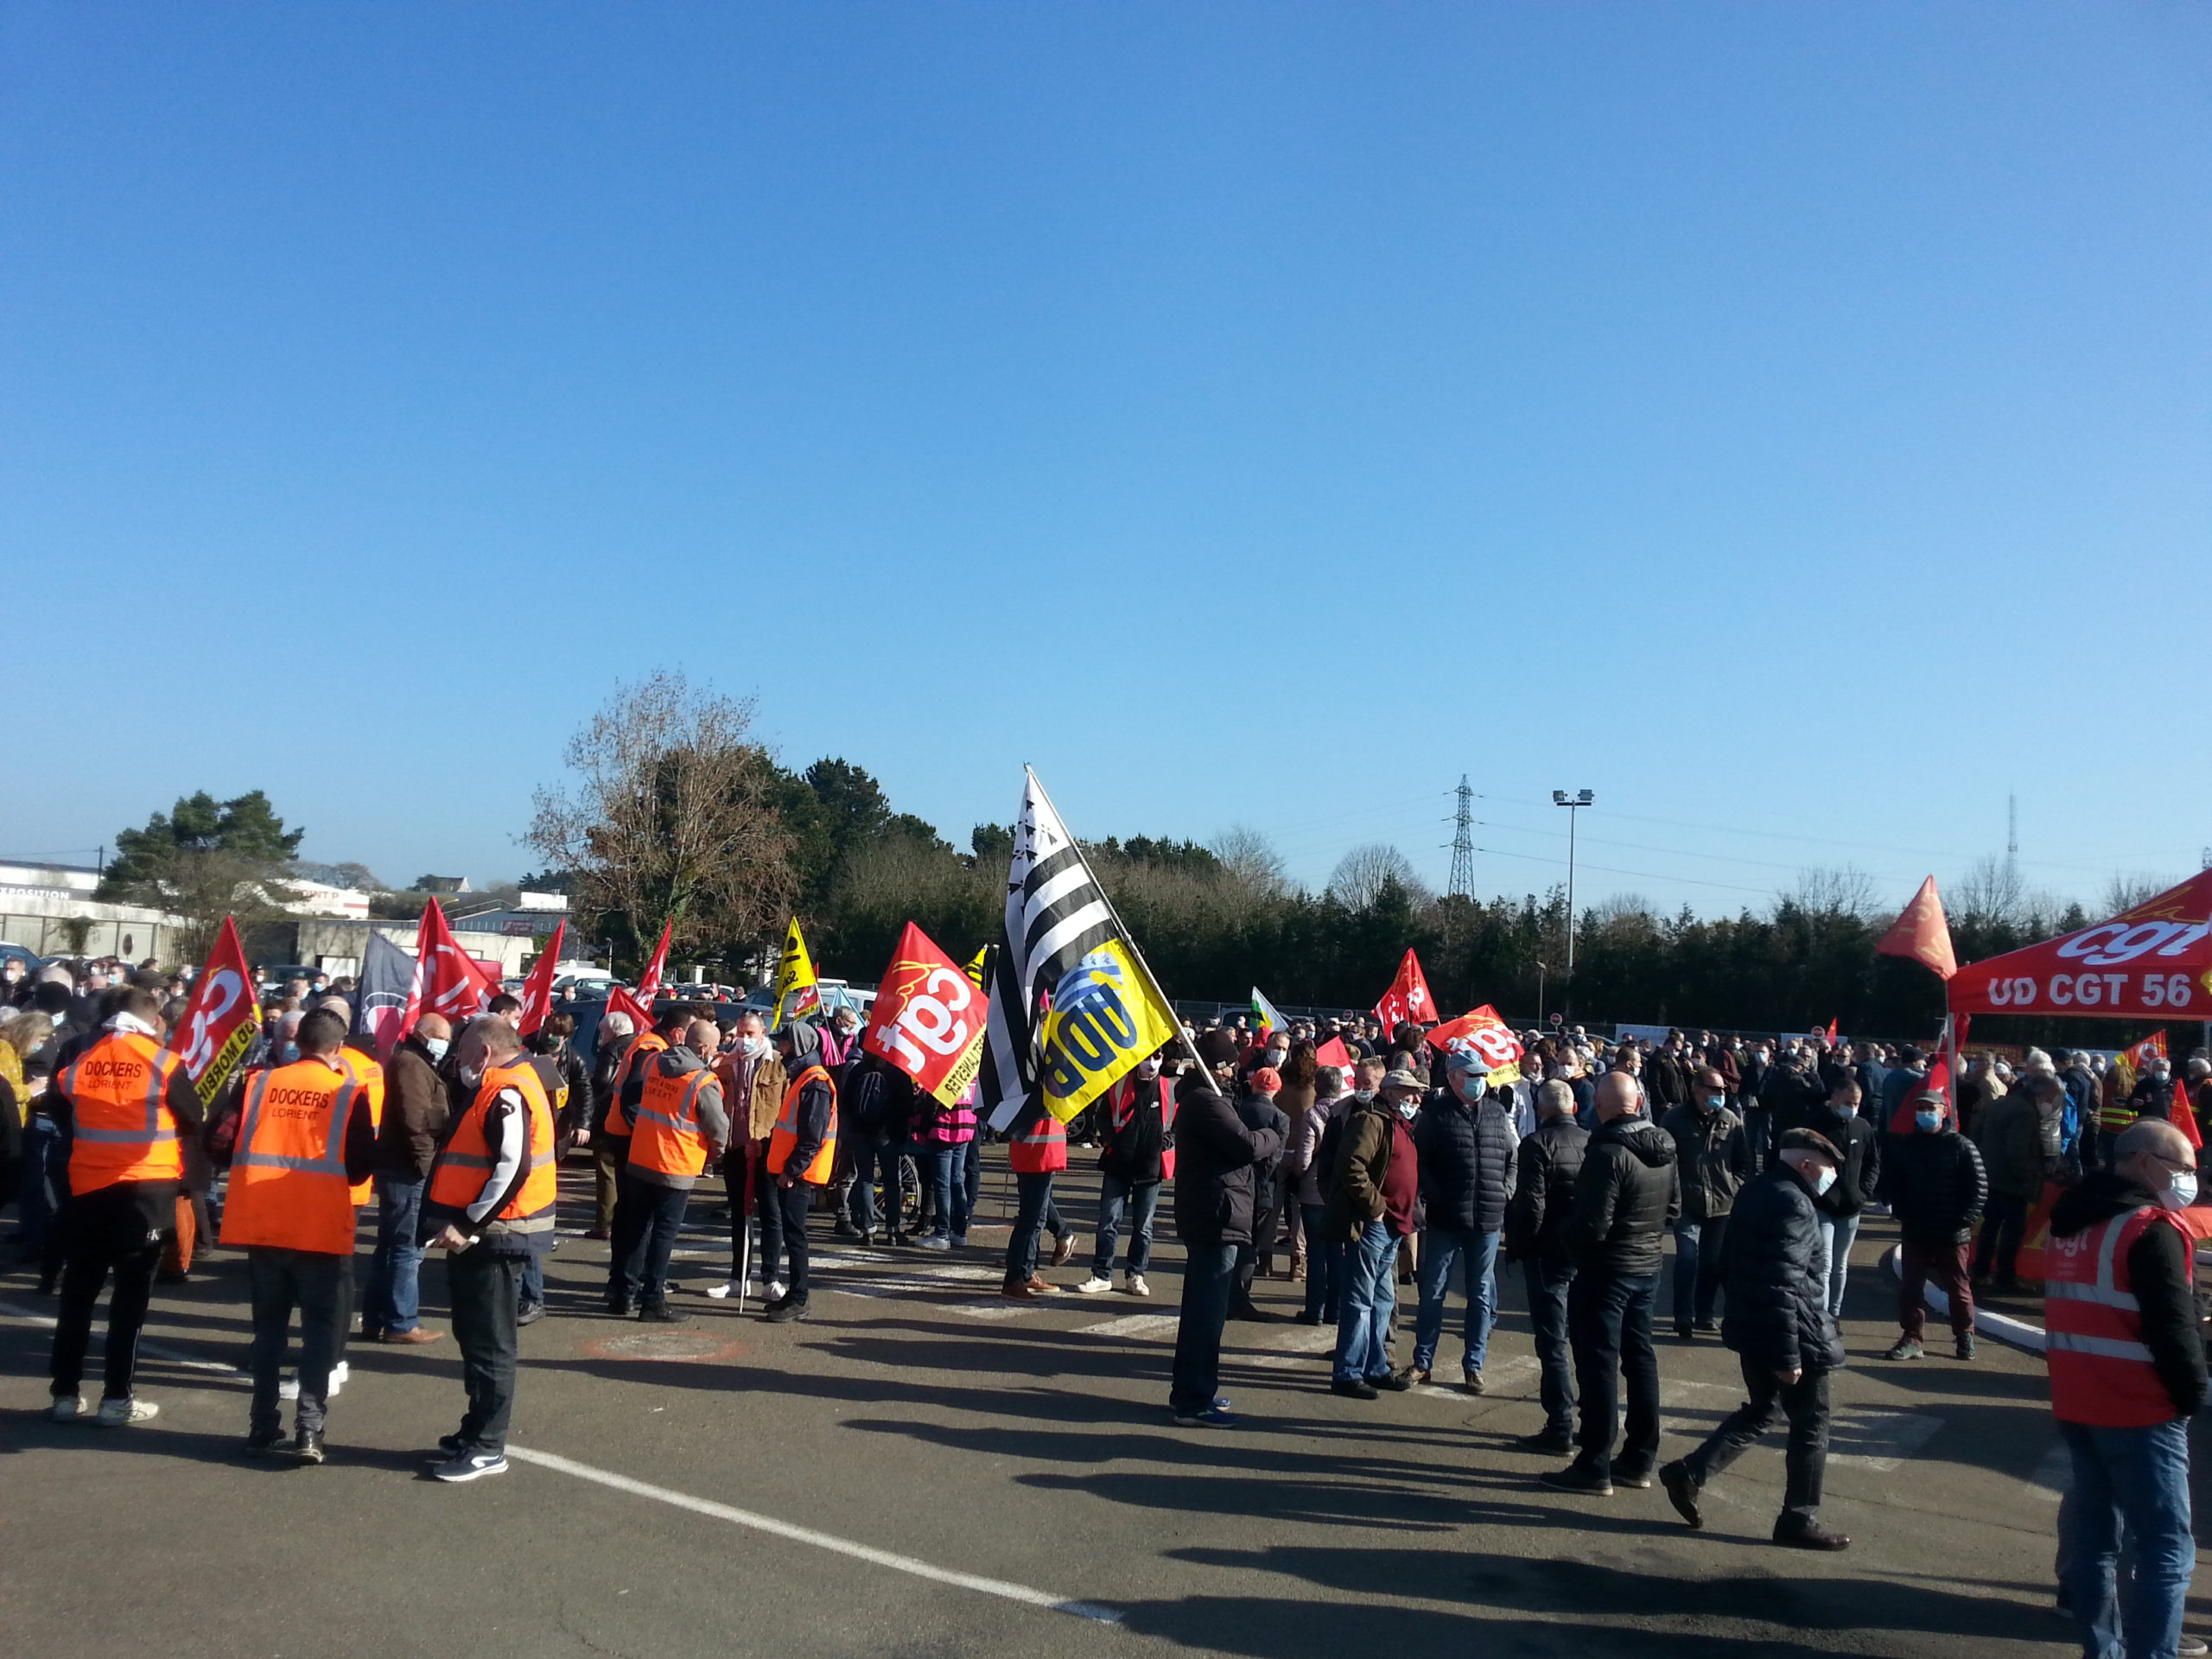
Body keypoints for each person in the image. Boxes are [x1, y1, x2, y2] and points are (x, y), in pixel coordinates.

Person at [2044, 1118, 2205, 1659]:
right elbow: (2175, 1328)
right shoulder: (2149, 1228)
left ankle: (2103, 1651)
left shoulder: (2070, 1222)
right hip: (2140, 1409)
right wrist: (2192, 1396)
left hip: (2077, 1400)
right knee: (2165, 1548)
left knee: (2094, 1545)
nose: (2191, 1179)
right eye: (2183, 1168)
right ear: (2144, 1161)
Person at [1660, 1128, 1852, 1550]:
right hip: (1791, 1331)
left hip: (1753, 1322)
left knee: (1763, 1410)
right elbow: (1783, 1283)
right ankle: (1799, 1518)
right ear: (1806, 1165)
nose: (1831, 1176)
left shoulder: (1758, 1189)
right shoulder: (1795, 1203)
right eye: (1828, 1168)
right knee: (1811, 1426)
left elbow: (1729, 1262)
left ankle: (1690, 1473)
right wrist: (1788, 1353)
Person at [203, 1007, 378, 1461]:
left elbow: (217, 1143)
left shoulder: (257, 1083)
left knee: (268, 1332)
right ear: (339, 1049)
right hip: (319, 1226)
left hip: (263, 1223)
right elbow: (361, 1164)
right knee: (321, 1332)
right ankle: (309, 1430)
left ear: (295, 1041)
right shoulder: (347, 1090)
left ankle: (262, 1425)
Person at [45, 987, 203, 1427]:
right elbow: (194, 1116)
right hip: (145, 1189)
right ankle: (116, 1397)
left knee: (79, 1291)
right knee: (131, 1298)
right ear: (152, 1020)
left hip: (88, 1184)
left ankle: (65, 1393)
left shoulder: (83, 1056)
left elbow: (57, 1102)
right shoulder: (162, 1061)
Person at [420, 1014, 557, 1482]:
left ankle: (487, 1446)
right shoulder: (503, 1084)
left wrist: (468, 1223)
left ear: (482, 1052)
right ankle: (476, 1430)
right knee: (476, 1336)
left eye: (461, 1053)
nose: (455, 1061)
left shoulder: (507, 1089)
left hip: (498, 1237)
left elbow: (511, 1167)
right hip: (491, 1235)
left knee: (491, 1344)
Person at [1541, 1071, 1679, 1497]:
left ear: (1600, 1106)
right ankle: (1639, 1458)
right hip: (1646, 1266)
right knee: (1640, 1360)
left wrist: (1562, 1234)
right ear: (1638, 1103)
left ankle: (1595, 1462)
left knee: (1599, 1364)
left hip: (1607, 1270)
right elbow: (1673, 1210)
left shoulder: (1607, 1151)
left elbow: (1592, 1225)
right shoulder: (1665, 1148)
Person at [1166, 1069, 1281, 1427]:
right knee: (1207, 1315)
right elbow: (1245, 1144)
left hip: (1217, 1213)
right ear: (1215, 1066)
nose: (1234, 1072)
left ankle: (1194, 1389)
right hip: (1216, 1216)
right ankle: (1193, 1400)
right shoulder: (1205, 1101)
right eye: (1228, 1065)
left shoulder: (1210, 1099)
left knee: (1205, 1312)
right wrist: (1273, 1135)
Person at [1410, 1050, 1518, 1392]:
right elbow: (1419, 1161)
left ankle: (1474, 1365)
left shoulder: (1497, 1113)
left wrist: (1506, 1189)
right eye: (1472, 1075)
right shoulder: (1434, 1115)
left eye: (1481, 1076)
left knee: (1480, 1294)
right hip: (1446, 1217)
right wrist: (1436, 1193)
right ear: (1454, 1077)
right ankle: (1422, 1361)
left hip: (1487, 1218)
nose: (1479, 1081)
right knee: (1433, 1293)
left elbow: (1512, 1158)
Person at [610, 1017, 730, 1323]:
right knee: (663, 1236)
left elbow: (634, 1099)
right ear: (704, 1048)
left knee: (635, 1230)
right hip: (674, 1168)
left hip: (641, 1160)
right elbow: (719, 1129)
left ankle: (623, 1293)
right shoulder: (703, 1082)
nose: (717, 1053)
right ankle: (653, 1300)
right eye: (715, 1048)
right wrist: (713, 1156)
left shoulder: (653, 1064)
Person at [1325, 1063, 1423, 1400]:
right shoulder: (1371, 1121)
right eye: (1411, 1092)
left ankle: (1376, 1366)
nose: (1416, 1098)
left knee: (1383, 1299)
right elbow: (1351, 1165)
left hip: (1394, 1225)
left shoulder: (1401, 1125)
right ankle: (1348, 1372)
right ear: (1393, 1093)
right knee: (1360, 1299)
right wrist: (1376, 1207)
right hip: (1373, 1225)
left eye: (1419, 1093)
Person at [1506, 1077, 1588, 1455]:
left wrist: (1520, 1245)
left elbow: (1531, 1204)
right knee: (1587, 1341)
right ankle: (1591, 1421)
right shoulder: (1592, 1142)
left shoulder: (1537, 1144)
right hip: (1584, 1252)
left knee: (1552, 1342)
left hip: (1547, 1252)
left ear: (1541, 1109)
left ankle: (1559, 1424)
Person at [360, 1012, 451, 1344]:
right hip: (407, 1169)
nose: (446, 1043)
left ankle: (376, 1319)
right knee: (406, 1247)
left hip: (401, 1166)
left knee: (390, 1246)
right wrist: (426, 1167)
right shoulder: (411, 1064)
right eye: (443, 1037)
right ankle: (401, 1321)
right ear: (425, 1035)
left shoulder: (414, 1061)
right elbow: (416, 1122)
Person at [1881, 1088, 1986, 1362]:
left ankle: (1965, 1337)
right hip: (1916, 1231)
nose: (1925, 1114)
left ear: (1944, 1112)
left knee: (1958, 1288)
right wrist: (1902, 1212)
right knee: (1911, 1288)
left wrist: (1964, 1220)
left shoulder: (1961, 1145)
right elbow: (1896, 1183)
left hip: (1951, 1233)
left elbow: (1979, 1189)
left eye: (1931, 1109)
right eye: (1921, 1109)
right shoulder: (1907, 1146)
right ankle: (1912, 1338)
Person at [1660, 1065, 1751, 1340]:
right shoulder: (1674, 1119)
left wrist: (1735, 1186)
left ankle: (1704, 1313)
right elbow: (1663, 1159)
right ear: (1696, 1089)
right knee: (1687, 1259)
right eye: (1714, 1089)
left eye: (1722, 1089)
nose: (1720, 1094)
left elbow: (1744, 1162)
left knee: (1713, 1263)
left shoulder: (1731, 1120)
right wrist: (1672, 1194)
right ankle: (1683, 1316)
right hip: (1688, 1203)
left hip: (1722, 1204)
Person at [1077, 1051, 1173, 1297]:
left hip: (1150, 1169)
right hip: (1118, 1165)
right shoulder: (1120, 1085)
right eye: (1148, 1057)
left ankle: (1136, 1275)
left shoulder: (1170, 1090)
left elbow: (1178, 1123)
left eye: (1157, 1057)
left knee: (1143, 1227)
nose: (1151, 1062)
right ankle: (1101, 1274)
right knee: (1108, 1221)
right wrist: (1111, 1142)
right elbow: (1103, 1117)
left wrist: (1167, 1141)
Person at [705, 1011, 785, 1299]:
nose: (744, 1039)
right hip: (734, 1147)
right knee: (739, 1214)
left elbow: (784, 1110)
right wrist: (712, 1065)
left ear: (762, 1034)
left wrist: (771, 1143)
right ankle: (739, 1277)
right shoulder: (727, 1063)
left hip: (765, 1149)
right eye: (740, 1033)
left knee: (770, 1214)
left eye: (750, 1034)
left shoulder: (776, 1066)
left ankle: (771, 1277)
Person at [761, 1020, 837, 1323]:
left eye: (785, 1043)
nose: (781, 1048)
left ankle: (800, 1296)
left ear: (799, 1046)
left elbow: (811, 1139)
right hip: (792, 1172)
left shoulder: (815, 1083)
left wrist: (790, 1172)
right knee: (792, 1236)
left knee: (796, 1237)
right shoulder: (805, 1078)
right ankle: (795, 1294)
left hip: (799, 1176)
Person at [1974, 1071, 2057, 1292]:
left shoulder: (2004, 1103)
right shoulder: (2024, 1111)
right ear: (2039, 1095)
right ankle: (2005, 1275)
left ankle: (1981, 1271)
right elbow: (2017, 1150)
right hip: (2010, 1182)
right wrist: (2028, 1177)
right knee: (2012, 1231)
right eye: (2049, 1099)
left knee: (1990, 1226)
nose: (2049, 1104)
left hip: (1991, 1175)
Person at [1808, 1076, 1881, 1320]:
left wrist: (1863, 1193)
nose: (1852, 1107)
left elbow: (1873, 1162)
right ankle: (1823, 1315)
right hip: (1822, 1206)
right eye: (1848, 1102)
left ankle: (1835, 1313)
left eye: (1856, 1103)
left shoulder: (1862, 1127)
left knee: (1840, 1264)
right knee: (1825, 1264)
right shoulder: (1815, 1125)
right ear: (1835, 1097)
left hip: (1851, 1207)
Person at [1288, 1064, 1355, 1325]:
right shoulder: (1349, 1114)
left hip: (1313, 1190)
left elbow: (1304, 1159)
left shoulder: (1313, 1115)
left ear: (1318, 1086)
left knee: (1316, 1255)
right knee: (1337, 1254)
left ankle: (1314, 1310)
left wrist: (1296, 1173)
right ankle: (1335, 1310)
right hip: (1340, 1191)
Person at [1230, 1066, 1290, 1319]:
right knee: (1250, 1246)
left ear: (1253, 1085)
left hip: (1234, 1184)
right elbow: (1274, 1159)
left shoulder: (1236, 1109)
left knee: (1231, 1241)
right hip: (1263, 1189)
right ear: (1277, 1090)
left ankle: (1225, 1295)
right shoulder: (1281, 1119)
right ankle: (1240, 1299)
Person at [1004, 1094, 1072, 1300]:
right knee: (1030, 1221)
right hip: (1037, 1154)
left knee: (1035, 1219)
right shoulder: (1040, 1081)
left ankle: (1026, 1272)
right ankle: (1015, 1278)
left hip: (1042, 1153)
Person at [584, 1008, 636, 1238]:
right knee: (628, 1172)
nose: (602, 1037)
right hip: (635, 1116)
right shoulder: (640, 1046)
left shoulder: (612, 1049)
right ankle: (627, 1220)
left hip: (609, 1114)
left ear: (613, 1032)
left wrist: (590, 1085)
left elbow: (603, 1081)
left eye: (604, 1032)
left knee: (606, 1171)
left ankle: (604, 1224)